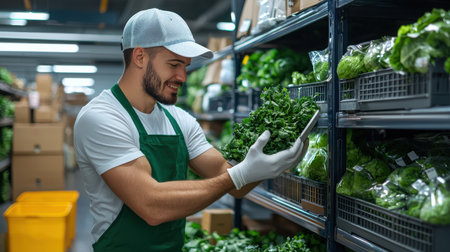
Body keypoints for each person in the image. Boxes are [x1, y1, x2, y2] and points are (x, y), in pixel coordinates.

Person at [74, 8, 308, 251]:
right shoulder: (101, 118)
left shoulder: (179, 119)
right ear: (140, 57)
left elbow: (226, 173)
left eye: (185, 66)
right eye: (174, 64)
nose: (183, 76)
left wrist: (272, 161)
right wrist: (238, 175)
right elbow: (151, 205)